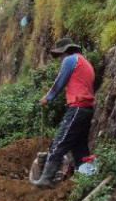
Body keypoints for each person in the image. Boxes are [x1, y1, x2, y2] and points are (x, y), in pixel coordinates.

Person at [32, 38, 95, 188]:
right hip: (87, 108)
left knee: (59, 143)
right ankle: (87, 180)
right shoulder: (84, 62)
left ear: (65, 52)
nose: (60, 59)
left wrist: (47, 98)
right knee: (80, 148)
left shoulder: (70, 60)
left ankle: (46, 179)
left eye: (60, 55)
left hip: (78, 107)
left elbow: (60, 81)